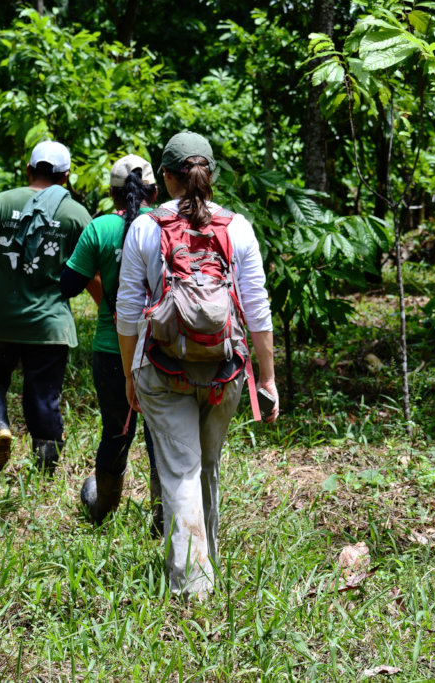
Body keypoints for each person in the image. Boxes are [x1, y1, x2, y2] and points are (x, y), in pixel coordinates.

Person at [115, 132, 278, 597]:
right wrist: (267, 378)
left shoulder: (146, 228)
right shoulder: (237, 227)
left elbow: (128, 310)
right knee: (207, 466)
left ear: (165, 178)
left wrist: (130, 375)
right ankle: (208, 566)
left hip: (164, 369)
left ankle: (194, 589)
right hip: (225, 369)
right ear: (210, 175)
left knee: (181, 471)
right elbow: (256, 308)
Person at [0, 140, 93, 474]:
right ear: (66, 176)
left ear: (28, 169)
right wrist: (109, 313)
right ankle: (44, 474)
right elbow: (93, 274)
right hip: (49, 326)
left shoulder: (1, 203)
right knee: (43, 397)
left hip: (1, 319)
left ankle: (1, 424)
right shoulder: (76, 214)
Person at [58, 154, 161, 530]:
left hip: (112, 348)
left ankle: (103, 509)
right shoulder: (167, 225)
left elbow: (68, 285)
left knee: (117, 431)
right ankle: (163, 515)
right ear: (153, 190)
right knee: (161, 433)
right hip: (161, 348)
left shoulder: (99, 228)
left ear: (112, 194)